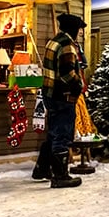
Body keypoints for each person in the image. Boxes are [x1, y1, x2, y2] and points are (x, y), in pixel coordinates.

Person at [32, 13, 86, 188]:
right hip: (63, 96)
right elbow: (67, 74)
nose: (80, 33)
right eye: (79, 29)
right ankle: (60, 176)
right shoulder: (67, 45)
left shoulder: (53, 41)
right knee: (62, 135)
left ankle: (42, 169)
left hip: (49, 94)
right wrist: (79, 85)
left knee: (53, 133)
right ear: (73, 29)